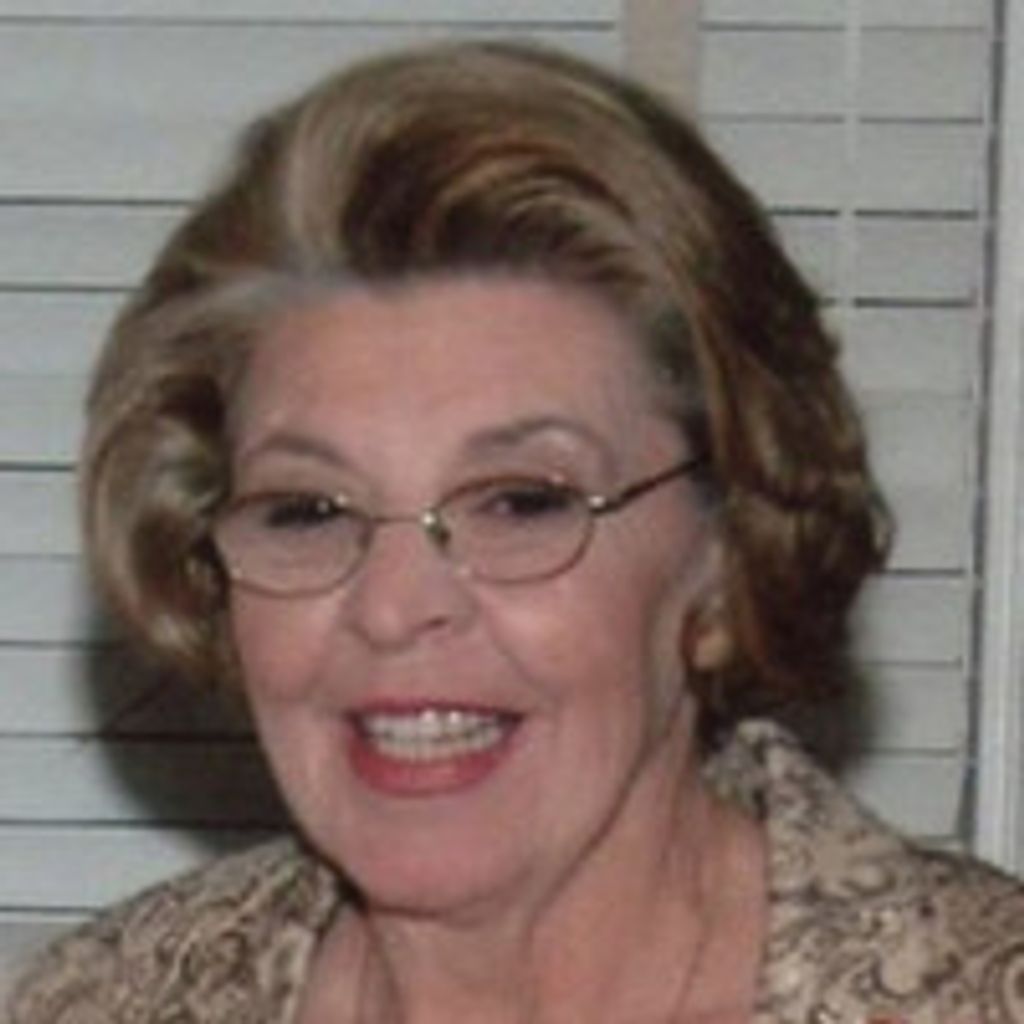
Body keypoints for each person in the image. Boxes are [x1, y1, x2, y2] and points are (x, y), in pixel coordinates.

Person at [8, 39, 1024, 1024]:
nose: (394, 606)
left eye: (520, 501)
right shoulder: (99, 1003)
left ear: (726, 553)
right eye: (308, 510)